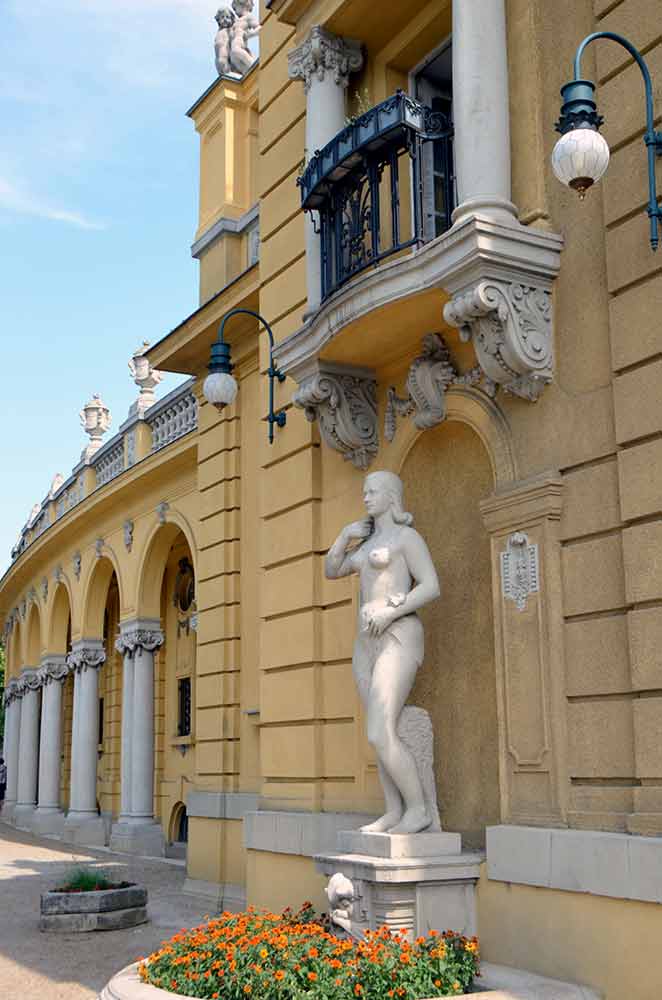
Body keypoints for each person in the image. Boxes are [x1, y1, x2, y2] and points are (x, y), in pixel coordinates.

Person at [325, 471, 440, 835]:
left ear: (391, 497)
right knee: (378, 730)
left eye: (373, 491)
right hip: (366, 645)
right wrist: (344, 536)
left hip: (398, 637)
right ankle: (394, 810)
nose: (366, 497)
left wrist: (392, 610)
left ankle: (419, 809)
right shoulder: (365, 545)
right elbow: (332, 569)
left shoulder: (407, 538)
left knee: (379, 730)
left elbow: (432, 586)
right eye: (364, 491)